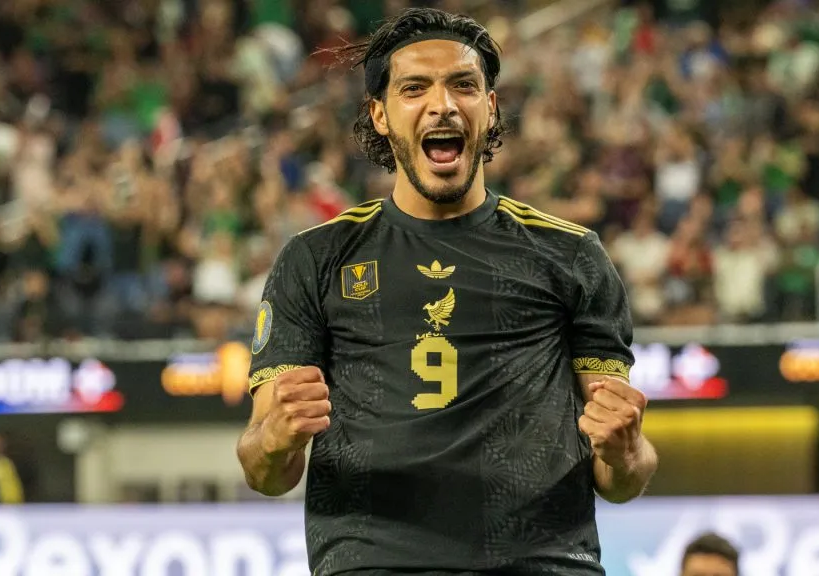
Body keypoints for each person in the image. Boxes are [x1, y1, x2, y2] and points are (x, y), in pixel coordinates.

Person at [236, 7, 658, 576]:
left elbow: (621, 480)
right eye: (415, 88)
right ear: (380, 115)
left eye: (464, 85)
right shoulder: (315, 259)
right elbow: (265, 472)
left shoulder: (570, 255)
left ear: (490, 108)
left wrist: (624, 448)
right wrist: (278, 437)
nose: (443, 104)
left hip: (539, 562)